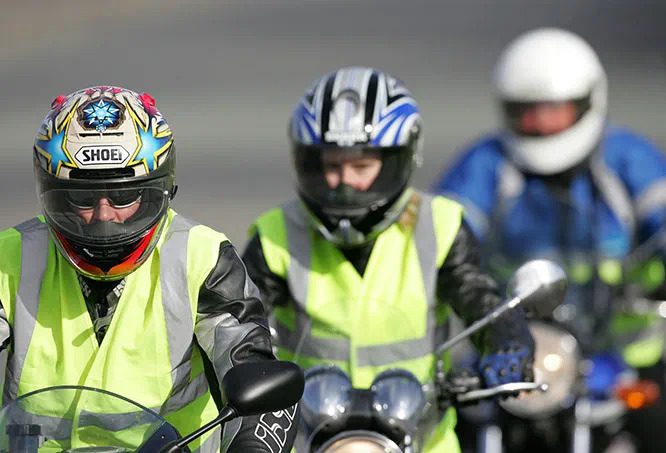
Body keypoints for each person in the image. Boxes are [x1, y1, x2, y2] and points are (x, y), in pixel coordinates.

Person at [242, 67, 535, 452]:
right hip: (310, 437)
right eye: (331, 166)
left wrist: (508, 341)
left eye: (361, 166)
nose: (343, 182)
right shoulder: (276, 232)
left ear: (400, 159)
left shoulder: (440, 224)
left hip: (425, 438)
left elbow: (479, 296)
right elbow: (241, 321)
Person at [0, 86, 297, 452]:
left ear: (158, 188)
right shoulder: (9, 257)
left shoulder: (203, 257)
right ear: (51, 191)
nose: (105, 216)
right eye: (82, 198)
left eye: (123, 195)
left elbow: (253, 367)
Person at [432, 28, 666, 452]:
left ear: (588, 102)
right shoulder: (487, 165)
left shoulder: (627, 159)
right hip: (512, 346)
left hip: (620, 349)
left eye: (552, 109)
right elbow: (443, 228)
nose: (539, 123)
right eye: (527, 111)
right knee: (447, 423)